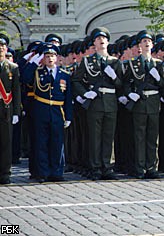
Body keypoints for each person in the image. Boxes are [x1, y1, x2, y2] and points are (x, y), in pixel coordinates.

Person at [72, 27, 123, 180]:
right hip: (95, 103)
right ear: (94, 42)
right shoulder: (88, 61)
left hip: (110, 102)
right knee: (95, 137)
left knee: (108, 136)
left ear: (108, 41)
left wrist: (114, 77)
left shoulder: (115, 62)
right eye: (98, 39)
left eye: (104, 39)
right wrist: (85, 93)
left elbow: (121, 85)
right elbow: (76, 80)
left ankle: (107, 167)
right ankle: (95, 168)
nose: (101, 41)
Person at [22, 43, 73, 182]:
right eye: (47, 56)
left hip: (57, 111)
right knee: (41, 142)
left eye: (53, 56)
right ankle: (43, 172)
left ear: (57, 57)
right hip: (41, 110)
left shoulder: (64, 75)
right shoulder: (37, 72)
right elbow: (25, 78)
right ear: (43, 59)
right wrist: (33, 62)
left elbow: (68, 97)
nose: (50, 58)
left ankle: (56, 172)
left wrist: (68, 116)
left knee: (57, 143)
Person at [123, 30, 164, 179]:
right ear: (140, 45)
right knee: (139, 136)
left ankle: (152, 167)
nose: (146, 43)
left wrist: (158, 77)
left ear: (152, 45)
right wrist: (130, 94)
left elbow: (163, 85)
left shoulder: (158, 64)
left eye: (149, 41)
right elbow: (126, 83)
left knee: (153, 137)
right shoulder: (133, 64)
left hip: (153, 102)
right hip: (139, 102)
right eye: (143, 42)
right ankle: (140, 168)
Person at [0, 34, 21, 185]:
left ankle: (5, 173)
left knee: (6, 142)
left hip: (5, 107)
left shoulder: (12, 68)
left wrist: (16, 112)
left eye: (3, 46)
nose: (1, 48)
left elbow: (16, 91)